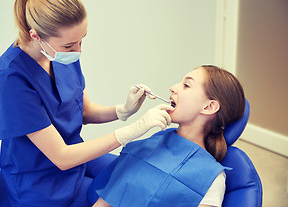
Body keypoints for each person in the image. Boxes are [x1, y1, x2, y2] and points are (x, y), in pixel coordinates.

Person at [0, 0, 172, 207]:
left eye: (81, 40)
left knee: (138, 174)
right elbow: (62, 157)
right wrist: (133, 130)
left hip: (79, 159)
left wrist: (123, 110)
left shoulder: (60, 54)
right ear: (36, 36)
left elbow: (84, 110)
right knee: (127, 196)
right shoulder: (10, 78)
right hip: (42, 183)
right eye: (69, 45)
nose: (78, 51)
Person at [89, 65, 246, 207]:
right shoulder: (149, 145)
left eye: (186, 85)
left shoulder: (212, 179)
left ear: (209, 106)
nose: (172, 88)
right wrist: (124, 113)